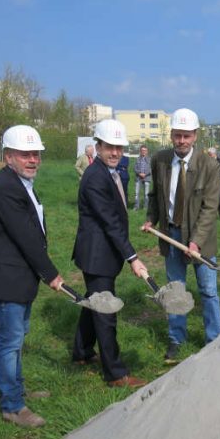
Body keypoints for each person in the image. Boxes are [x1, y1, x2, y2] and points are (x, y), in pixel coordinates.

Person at [0, 125, 65, 428]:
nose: (33, 160)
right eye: (25, 154)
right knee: (10, 342)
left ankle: (17, 390)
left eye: (36, 154)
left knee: (17, 339)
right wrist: (52, 275)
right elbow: (26, 238)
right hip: (8, 279)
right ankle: (13, 407)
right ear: (8, 157)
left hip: (20, 276)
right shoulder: (5, 189)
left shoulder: (21, 182)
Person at [71, 119, 148, 389]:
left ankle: (81, 352)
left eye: (119, 147)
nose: (115, 152)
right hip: (98, 254)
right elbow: (110, 223)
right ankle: (115, 373)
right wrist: (133, 257)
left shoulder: (113, 172)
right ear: (98, 146)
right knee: (105, 312)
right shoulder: (95, 178)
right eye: (109, 147)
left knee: (94, 300)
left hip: (103, 251)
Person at [144, 108, 220, 364]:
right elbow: (155, 195)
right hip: (171, 233)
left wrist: (196, 241)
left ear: (195, 136)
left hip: (201, 238)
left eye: (186, 136)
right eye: (177, 135)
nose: (181, 141)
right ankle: (176, 338)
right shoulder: (161, 160)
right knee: (175, 289)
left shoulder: (209, 165)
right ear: (171, 135)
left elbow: (210, 208)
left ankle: (215, 340)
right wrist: (151, 218)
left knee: (208, 290)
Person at [207, 147, 220, 218]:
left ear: (214, 154)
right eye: (208, 154)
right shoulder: (207, 161)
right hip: (209, 184)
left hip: (218, 184)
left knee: (219, 201)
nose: (209, 156)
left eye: (210, 154)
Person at [134, 145, 152, 211]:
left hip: (147, 178)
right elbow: (135, 168)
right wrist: (139, 173)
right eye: (142, 150)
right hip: (138, 178)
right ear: (140, 151)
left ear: (147, 151)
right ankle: (136, 207)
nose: (143, 152)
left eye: (145, 150)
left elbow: (151, 169)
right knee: (136, 193)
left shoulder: (150, 159)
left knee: (146, 194)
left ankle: (145, 207)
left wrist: (145, 174)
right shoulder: (137, 159)